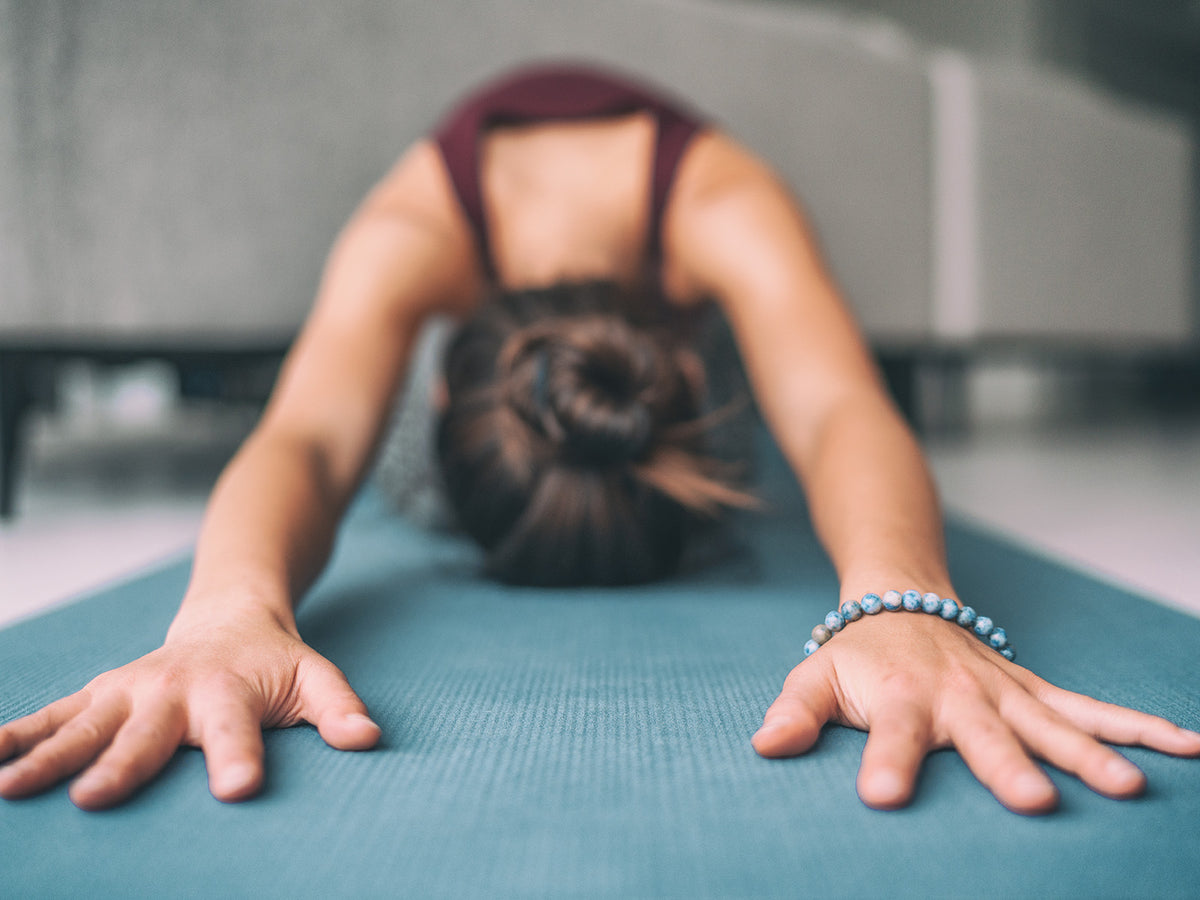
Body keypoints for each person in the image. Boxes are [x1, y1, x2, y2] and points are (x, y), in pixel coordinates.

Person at [1, 63, 1196, 814]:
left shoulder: (725, 207)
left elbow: (836, 408)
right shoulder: (410, 233)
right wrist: (226, 613)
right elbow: (309, 436)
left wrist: (902, 597)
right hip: (498, 346)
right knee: (396, 464)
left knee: (751, 456)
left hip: (668, 333)